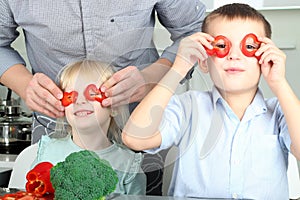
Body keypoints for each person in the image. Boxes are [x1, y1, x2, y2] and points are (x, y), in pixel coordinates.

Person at [0, 1, 206, 195]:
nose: (82, 100)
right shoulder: (43, 153)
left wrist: (150, 78)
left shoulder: (133, 166)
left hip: (142, 122)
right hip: (52, 122)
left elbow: (195, 30)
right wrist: (23, 84)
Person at [122, 3, 300, 200]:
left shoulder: (280, 111)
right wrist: (177, 69)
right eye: (222, 46)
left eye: (249, 47)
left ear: (264, 58)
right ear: (204, 61)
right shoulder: (187, 107)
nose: (234, 55)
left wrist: (279, 82)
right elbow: (134, 138)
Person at [32, 60, 146, 194]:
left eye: (92, 94)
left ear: (114, 107)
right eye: (71, 96)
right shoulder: (47, 152)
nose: (80, 101)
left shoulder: (129, 165)